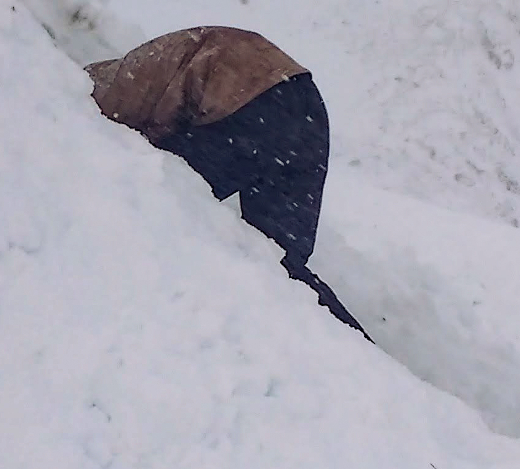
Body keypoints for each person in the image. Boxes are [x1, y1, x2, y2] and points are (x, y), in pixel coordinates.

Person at [86, 27, 366, 337]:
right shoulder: (146, 65)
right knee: (283, 264)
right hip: (305, 106)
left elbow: (141, 160)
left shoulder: (99, 94)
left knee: (172, 200)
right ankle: (361, 353)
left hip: (253, 106)